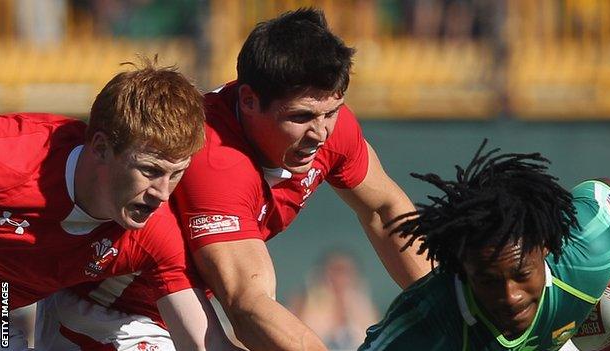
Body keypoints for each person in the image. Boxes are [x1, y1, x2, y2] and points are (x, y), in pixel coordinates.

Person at [37, 8, 429, 351]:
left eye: (332, 112)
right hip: (109, 314)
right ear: (247, 101)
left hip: (192, 317)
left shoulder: (327, 122)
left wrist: (451, 306)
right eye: (301, 117)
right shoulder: (215, 158)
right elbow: (248, 304)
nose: (321, 133)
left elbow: (384, 210)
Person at [0, 60, 227, 351]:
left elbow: (206, 344)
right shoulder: (11, 158)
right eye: (150, 171)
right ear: (101, 148)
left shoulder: (154, 230)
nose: (163, 193)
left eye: (176, 174)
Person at [358, 141, 610, 350]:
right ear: (462, 268)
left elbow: (608, 191)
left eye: (522, 274)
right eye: (488, 280)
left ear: (546, 247)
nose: (511, 296)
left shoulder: (591, 243)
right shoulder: (425, 327)